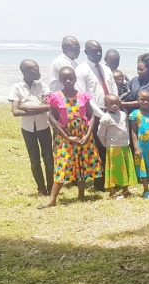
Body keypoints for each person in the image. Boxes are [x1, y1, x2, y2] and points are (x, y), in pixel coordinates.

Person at [38, 67, 102, 209]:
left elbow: (91, 117)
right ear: (60, 80)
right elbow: (52, 118)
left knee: (82, 163)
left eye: (70, 78)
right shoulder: (55, 97)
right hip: (64, 137)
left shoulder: (83, 96)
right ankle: (52, 199)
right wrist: (66, 135)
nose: (68, 80)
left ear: (75, 79)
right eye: (64, 78)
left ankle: (81, 194)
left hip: (83, 136)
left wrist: (87, 135)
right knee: (63, 164)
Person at [74, 40, 118, 191]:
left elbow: (114, 89)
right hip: (94, 113)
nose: (98, 53)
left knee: (112, 147)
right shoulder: (81, 70)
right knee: (98, 149)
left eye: (100, 50)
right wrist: (101, 115)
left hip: (111, 110)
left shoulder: (106, 69)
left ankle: (113, 180)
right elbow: (84, 97)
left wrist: (114, 109)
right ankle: (99, 184)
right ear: (86, 52)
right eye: (94, 51)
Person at [10, 59, 53, 196]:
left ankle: (51, 188)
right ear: (25, 71)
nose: (39, 71)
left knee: (49, 159)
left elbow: (50, 106)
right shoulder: (17, 88)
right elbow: (16, 112)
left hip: (44, 127)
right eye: (35, 69)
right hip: (28, 129)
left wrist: (26, 107)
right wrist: (40, 109)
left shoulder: (43, 86)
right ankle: (41, 188)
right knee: (34, 160)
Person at [98, 94, 137, 198]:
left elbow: (126, 128)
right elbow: (100, 134)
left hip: (124, 146)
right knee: (113, 169)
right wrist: (107, 145)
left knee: (125, 168)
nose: (114, 105)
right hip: (113, 148)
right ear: (106, 105)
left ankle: (125, 190)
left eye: (116, 103)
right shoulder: (105, 118)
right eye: (111, 104)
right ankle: (112, 192)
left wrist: (127, 142)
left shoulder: (123, 114)